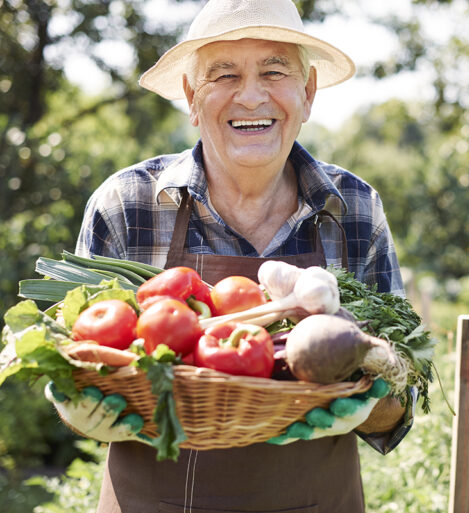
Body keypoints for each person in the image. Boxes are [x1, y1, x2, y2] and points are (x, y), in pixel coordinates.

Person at [49, 0, 416, 511]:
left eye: (274, 70)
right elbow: (74, 369)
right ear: (191, 97)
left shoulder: (355, 209)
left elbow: (402, 399)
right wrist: (77, 406)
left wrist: (369, 399)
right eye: (223, 74)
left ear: (307, 93)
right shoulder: (126, 204)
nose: (250, 96)